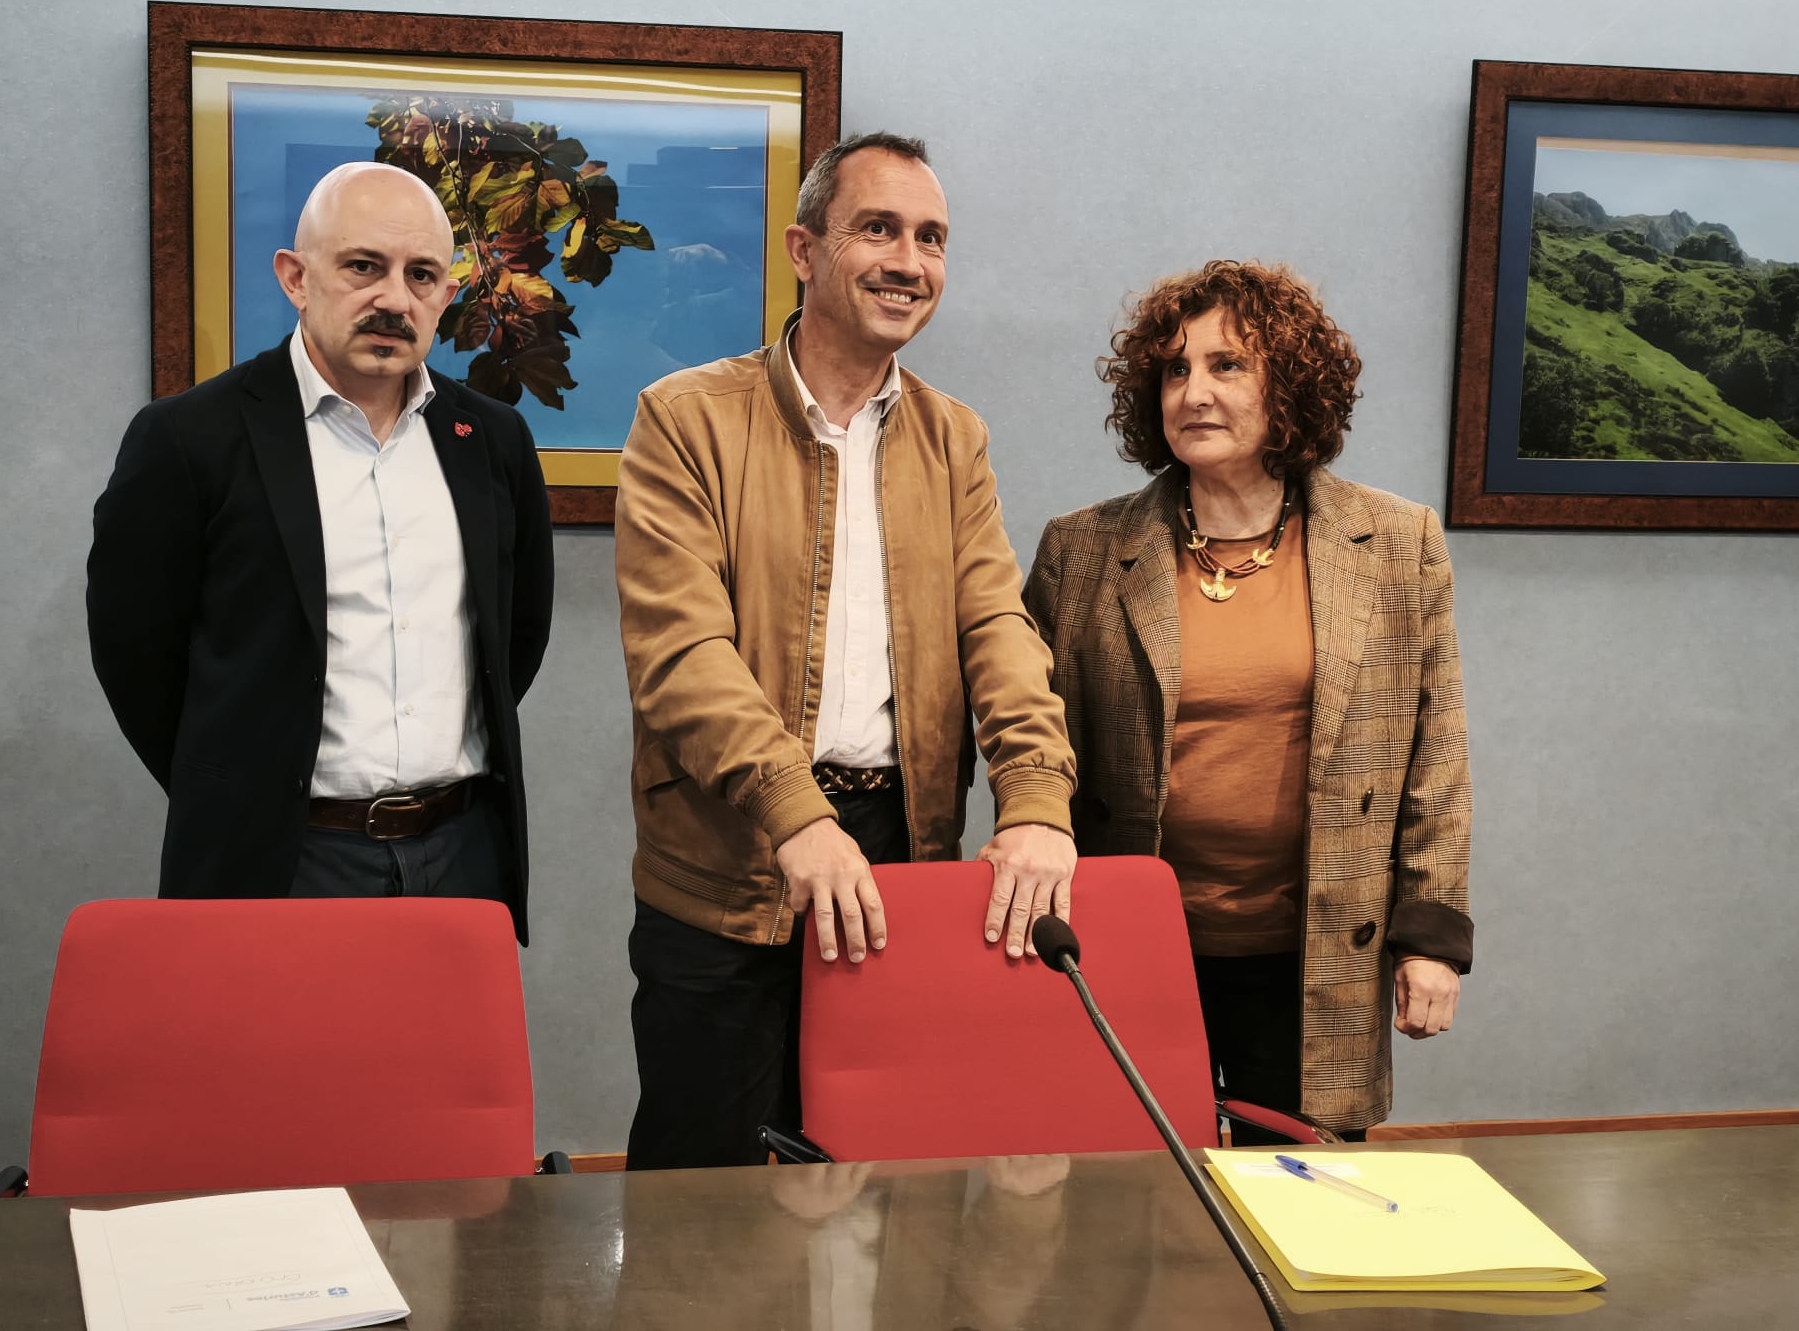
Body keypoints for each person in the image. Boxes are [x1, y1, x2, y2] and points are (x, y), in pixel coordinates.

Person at [614, 132, 1078, 1169]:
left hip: (896, 855)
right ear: (804, 249)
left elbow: (997, 630)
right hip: (729, 862)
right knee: (704, 1196)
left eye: (930, 238)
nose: (908, 262)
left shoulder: (954, 438)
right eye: (877, 229)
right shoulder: (684, 419)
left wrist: (1036, 799)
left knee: (874, 1186)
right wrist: (796, 815)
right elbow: (681, 655)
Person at [1026, 259, 1472, 1140]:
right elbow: (1037, 746)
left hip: (1314, 951)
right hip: (1130, 944)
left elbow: (1436, 754)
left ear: (1292, 385)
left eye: (1227, 365)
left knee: (1303, 1188)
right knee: (1137, 1189)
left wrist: (1431, 938)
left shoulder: (1396, 542)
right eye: (1175, 370)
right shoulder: (1081, 551)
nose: (1193, 392)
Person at [87, 163, 554, 935]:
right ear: (296, 278)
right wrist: (238, 790)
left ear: (446, 295)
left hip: (462, 853)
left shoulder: (492, 439)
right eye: (363, 267)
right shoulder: (189, 439)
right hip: (279, 861)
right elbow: (135, 655)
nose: (393, 299)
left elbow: (516, 637)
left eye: (421, 275)